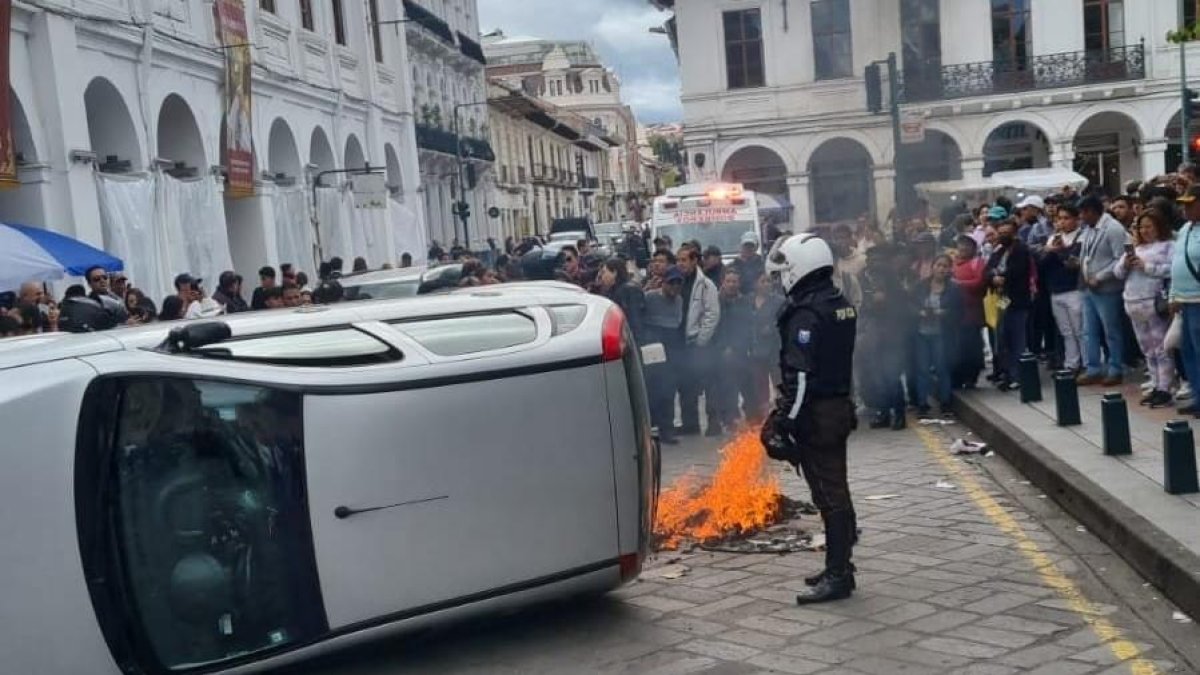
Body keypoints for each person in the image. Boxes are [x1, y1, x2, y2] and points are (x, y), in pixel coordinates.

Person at [759, 233, 858, 604]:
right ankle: (840, 565)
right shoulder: (838, 302)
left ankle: (838, 575)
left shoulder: (806, 312)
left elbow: (800, 377)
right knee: (832, 490)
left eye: (783, 270)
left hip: (819, 413)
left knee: (830, 494)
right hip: (837, 406)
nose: (779, 278)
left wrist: (783, 422)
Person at [1115, 211, 1175, 407]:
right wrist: (1126, 263)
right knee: (1146, 347)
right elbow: (1117, 273)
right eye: (1142, 227)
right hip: (1132, 301)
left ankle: (1165, 387)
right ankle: (1156, 383)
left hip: (1153, 300)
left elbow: (1171, 269)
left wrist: (1147, 266)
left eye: (1149, 226)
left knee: (1160, 346)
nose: (1145, 231)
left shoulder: (1168, 246)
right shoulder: (1135, 248)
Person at [1077, 195, 1131, 386]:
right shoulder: (1089, 230)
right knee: (1088, 330)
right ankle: (1093, 368)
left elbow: (1121, 259)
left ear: (1092, 212)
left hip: (1107, 289)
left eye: (1083, 213)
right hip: (1088, 288)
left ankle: (1115, 367)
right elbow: (1087, 254)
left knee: (1111, 330)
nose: (1081, 217)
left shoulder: (1113, 229)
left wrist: (1099, 276)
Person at [676, 246, 721, 436]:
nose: (680, 264)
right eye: (678, 260)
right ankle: (690, 423)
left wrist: (702, 339)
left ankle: (714, 422)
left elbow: (712, 313)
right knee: (687, 384)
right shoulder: (678, 281)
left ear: (694, 261)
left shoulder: (705, 284)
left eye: (684, 260)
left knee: (709, 384)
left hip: (699, 343)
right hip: (682, 342)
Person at [985, 220, 1033, 391]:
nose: (1003, 235)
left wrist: (1001, 276)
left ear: (1014, 233)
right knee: (1002, 337)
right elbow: (988, 269)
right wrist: (993, 277)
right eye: (1001, 232)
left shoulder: (1021, 250)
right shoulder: (998, 250)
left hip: (1017, 299)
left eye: (1007, 232)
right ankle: (1006, 372)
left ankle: (1018, 375)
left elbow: (1017, 271)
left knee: (1017, 339)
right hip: (1001, 299)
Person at [913, 255, 961, 419]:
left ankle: (945, 403)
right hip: (921, 333)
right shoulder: (920, 286)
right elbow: (911, 305)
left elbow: (958, 312)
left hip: (941, 333)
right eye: (939, 265)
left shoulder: (954, 289)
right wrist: (919, 312)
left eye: (945, 266)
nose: (941, 269)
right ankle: (922, 404)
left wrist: (944, 313)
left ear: (949, 269)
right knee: (922, 370)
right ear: (932, 267)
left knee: (942, 368)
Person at [643, 266, 686, 444]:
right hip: (653, 344)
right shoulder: (651, 297)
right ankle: (651, 427)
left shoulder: (679, 301)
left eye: (678, 283)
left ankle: (667, 429)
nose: (675, 287)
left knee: (668, 389)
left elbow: (677, 322)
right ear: (664, 283)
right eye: (671, 283)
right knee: (653, 390)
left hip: (672, 345)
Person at [1043, 204, 1086, 375]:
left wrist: (1058, 251)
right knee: (1066, 331)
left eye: (1066, 218)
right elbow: (1043, 262)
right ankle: (1071, 363)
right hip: (1056, 289)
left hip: (1074, 289)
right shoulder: (1052, 238)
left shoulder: (1081, 237)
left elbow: (1072, 262)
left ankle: (1087, 363)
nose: (1062, 222)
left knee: (1080, 329)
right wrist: (1049, 250)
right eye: (1059, 218)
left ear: (1076, 219)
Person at [1171, 185, 1200, 416]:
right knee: (1188, 352)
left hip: (1199, 299)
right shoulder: (1184, 230)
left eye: (1191, 204)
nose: (1185, 208)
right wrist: (1173, 295)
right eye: (1183, 204)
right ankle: (1198, 395)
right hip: (1184, 299)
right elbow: (1176, 263)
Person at [713, 269, 751, 429]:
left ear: (739, 283)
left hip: (742, 351)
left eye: (734, 281)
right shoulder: (716, 302)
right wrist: (723, 347)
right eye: (728, 281)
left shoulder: (745, 302)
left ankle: (752, 417)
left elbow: (748, 326)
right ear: (723, 283)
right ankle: (729, 417)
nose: (731, 285)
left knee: (747, 386)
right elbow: (717, 327)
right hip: (721, 351)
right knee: (726, 387)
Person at [951, 236, 987, 389]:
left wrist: (959, 284)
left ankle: (971, 376)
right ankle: (957, 377)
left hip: (972, 313)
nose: (963, 248)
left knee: (971, 346)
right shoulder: (952, 264)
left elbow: (979, 282)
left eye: (967, 245)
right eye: (961, 245)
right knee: (956, 347)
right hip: (954, 315)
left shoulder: (977, 263)